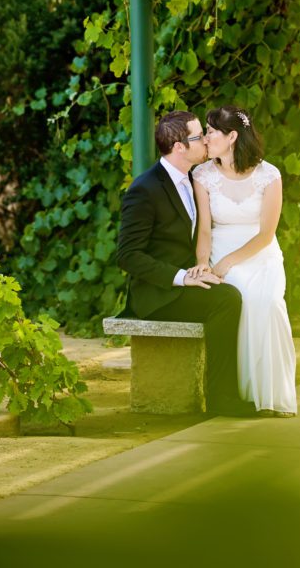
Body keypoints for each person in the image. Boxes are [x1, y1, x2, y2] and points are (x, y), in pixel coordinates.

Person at [117, 111, 255, 417]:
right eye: (197, 137)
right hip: (158, 293)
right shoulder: (145, 189)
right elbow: (127, 255)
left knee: (241, 288)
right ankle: (222, 398)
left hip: (190, 277)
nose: (205, 140)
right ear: (179, 147)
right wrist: (181, 277)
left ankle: (232, 390)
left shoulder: (196, 177)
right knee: (226, 300)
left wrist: (203, 267)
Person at [187, 105, 297, 417]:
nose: (206, 139)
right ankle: (237, 394)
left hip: (260, 255)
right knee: (238, 298)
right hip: (220, 248)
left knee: (268, 302)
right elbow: (205, 228)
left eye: (211, 132)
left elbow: (266, 234)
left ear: (232, 136)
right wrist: (204, 262)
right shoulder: (203, 175)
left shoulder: (269, 175)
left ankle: (272, 395)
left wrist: (231, 261)